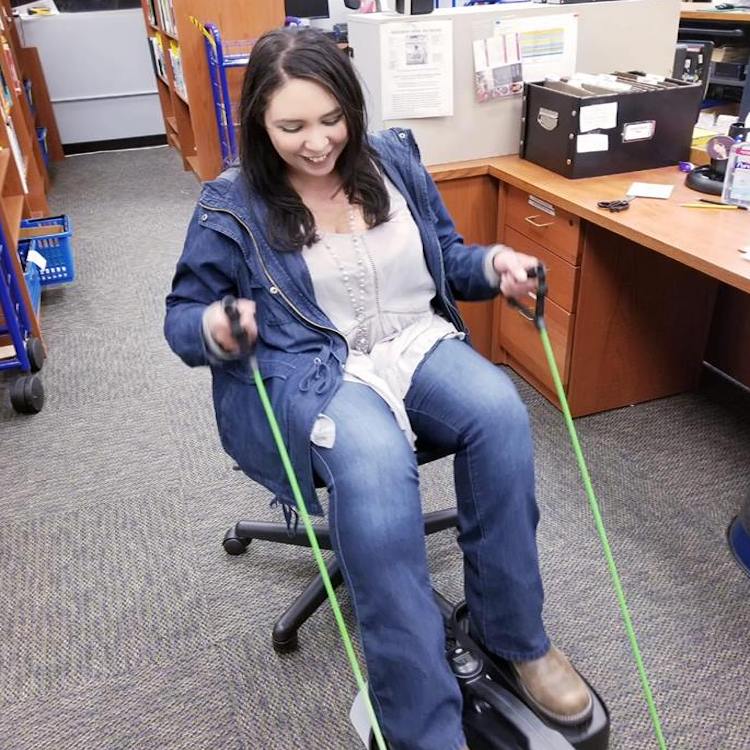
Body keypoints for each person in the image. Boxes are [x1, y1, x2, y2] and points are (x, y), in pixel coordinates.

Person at [164, 27, 592, 750]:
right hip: (312, 365)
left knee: (499, 411)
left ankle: (515, 638)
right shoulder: (230, 205)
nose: (318, 142)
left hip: (411, 340)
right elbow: (180, 320)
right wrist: (213, 323)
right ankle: (420, 721)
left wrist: (494, 268)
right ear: (259, 124)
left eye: (332, 119)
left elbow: (448, 259)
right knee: (373, 462)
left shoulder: (391, 161)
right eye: (292, 126)